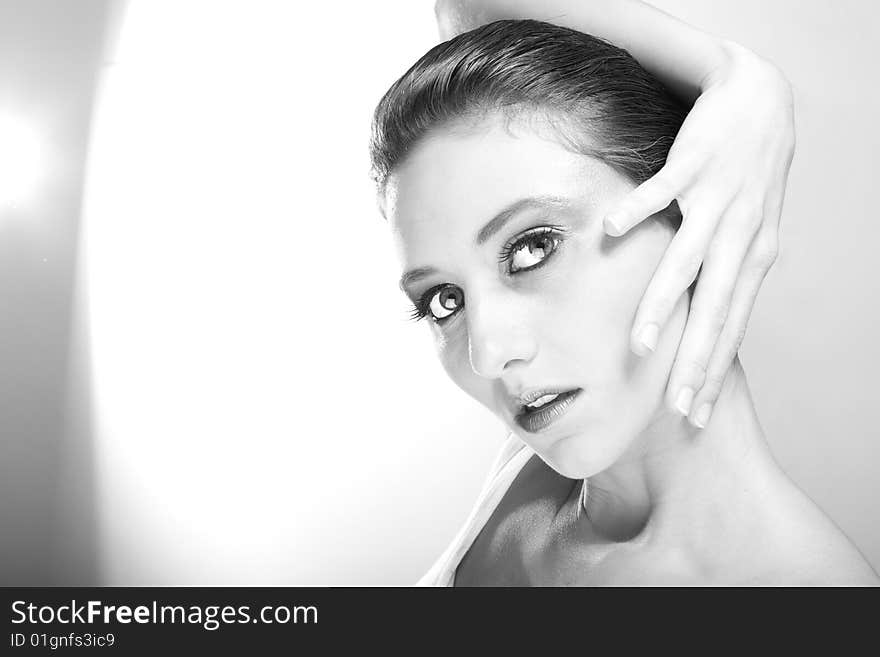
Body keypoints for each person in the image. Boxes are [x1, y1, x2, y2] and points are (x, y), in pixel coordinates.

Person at [370, 18, 879, 585]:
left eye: (534, 248)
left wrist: (748, 85)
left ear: (692, 211)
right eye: (444, 300)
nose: (488, 354)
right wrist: (739, 78)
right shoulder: (537, 461)